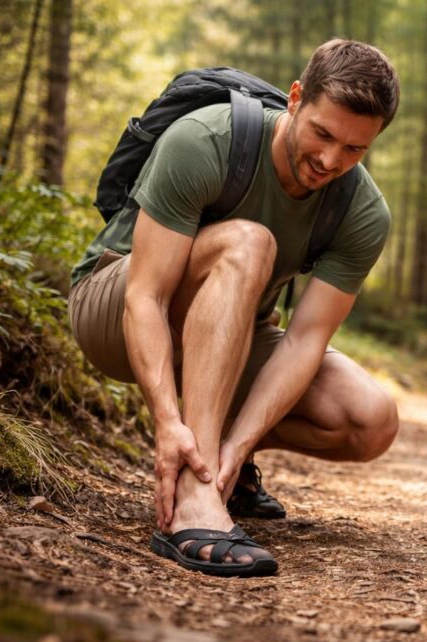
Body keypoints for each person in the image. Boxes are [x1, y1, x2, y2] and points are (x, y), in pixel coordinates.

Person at [68, 40, 401, 577]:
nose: (330, 161)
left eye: (354, 150)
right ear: (295, 99)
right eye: (323, 134)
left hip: (229, 334)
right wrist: (167, 422)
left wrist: (240, 443)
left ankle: (218, 462)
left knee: (369, 420)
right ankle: (195, 500)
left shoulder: (361, 211)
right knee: (251, 243)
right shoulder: (206, 139)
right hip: (113, 309)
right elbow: (145, 296)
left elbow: (303, 340)